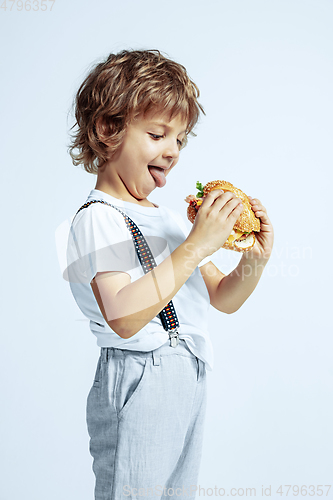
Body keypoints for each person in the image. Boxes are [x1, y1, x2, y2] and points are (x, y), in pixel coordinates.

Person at [65, 49, 274, 499]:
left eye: (180, 139)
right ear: (108, 129)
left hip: (190, 372)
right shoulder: (98, 218)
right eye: (158, 134)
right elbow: (123, 316)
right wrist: (198, 243)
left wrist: (254, 258)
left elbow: (223, 298)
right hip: (139, 374)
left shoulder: (171, 221)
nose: (173, 151)